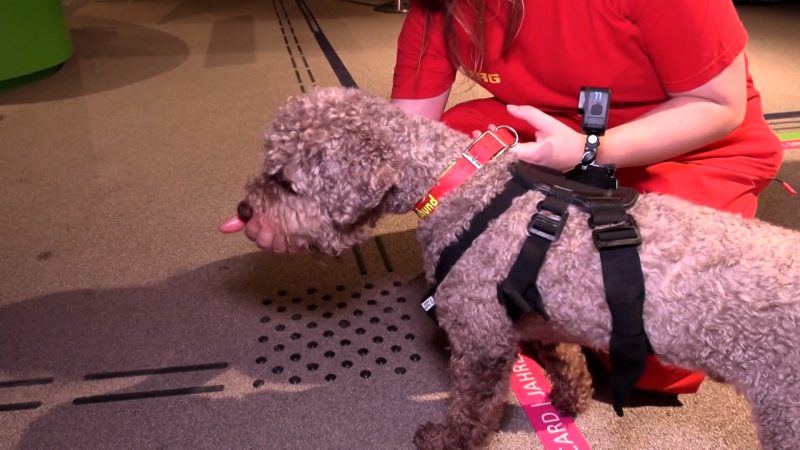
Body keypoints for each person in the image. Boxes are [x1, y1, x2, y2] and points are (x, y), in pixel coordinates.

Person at [390, 0, 783, 394]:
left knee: (650, 348)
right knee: (451, 157)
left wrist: (589, 149)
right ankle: (528, 292)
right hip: (550, 126)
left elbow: (718, 104)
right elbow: (405, 139)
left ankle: (534, 296)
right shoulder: (440, 7)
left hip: (684, 144)